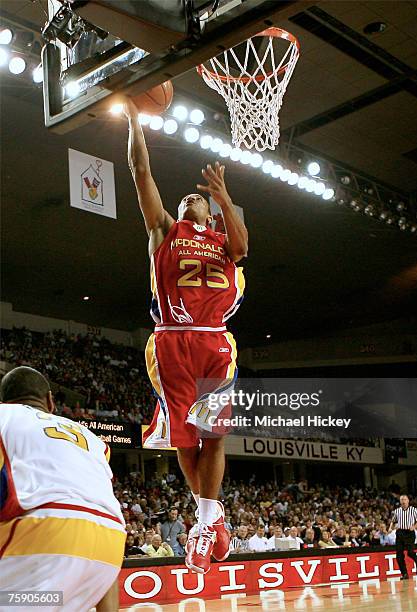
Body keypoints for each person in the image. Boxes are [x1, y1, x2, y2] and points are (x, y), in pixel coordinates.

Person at [124, 99, 248, 575]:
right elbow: (140, 172)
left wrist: (221, 195)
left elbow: (242, 248)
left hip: (215, 339)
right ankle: (211, 518)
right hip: (172, 339)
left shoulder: (222, 239)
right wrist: (136, 123)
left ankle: (205, 521)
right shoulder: (165, 231)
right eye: (185, 200)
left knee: (214, 436)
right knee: (186, 441)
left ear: (213, 213)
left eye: (193, 199)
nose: (186, 200)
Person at [0, 366, 125, 611]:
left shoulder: (4, 415)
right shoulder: (93, 440)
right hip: (108, 547)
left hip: (45, 535)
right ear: (50, 401)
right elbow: (90, 505)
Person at [388, 494, 417, 579]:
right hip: (400, 533)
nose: (403, 501)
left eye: (405, 499)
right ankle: (404, 574)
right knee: (399, 555)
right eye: (402, 500)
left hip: (409, 533)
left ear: (408, 501)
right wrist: (390, 528)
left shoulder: (413, 510)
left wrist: (414, 527)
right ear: (400, 501)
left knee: (410, 552)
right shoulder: (397, 511)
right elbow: (393, 521)